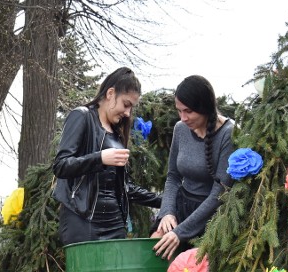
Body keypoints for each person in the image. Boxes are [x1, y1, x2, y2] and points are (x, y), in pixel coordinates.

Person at [52, 67, 161, 246]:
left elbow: (125, 187)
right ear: (111, 93)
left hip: (115, 223)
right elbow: (61, 166)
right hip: (82, 219)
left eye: (131, 108)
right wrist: (100, 158)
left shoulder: (117, 134)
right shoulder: (82, 116)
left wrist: (165, 202)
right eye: (126, 105)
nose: (127, 113)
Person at [152, 75, 235, 259]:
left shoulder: (228, 134)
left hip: (210, 215)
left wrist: (180, 232)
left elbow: (219, 192)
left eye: (188, 111)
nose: (183, 118)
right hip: (181, 206)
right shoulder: (180, 129)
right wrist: (166, 213)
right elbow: (173, 177)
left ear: (204, 107)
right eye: (179, 111)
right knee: (156, 244)